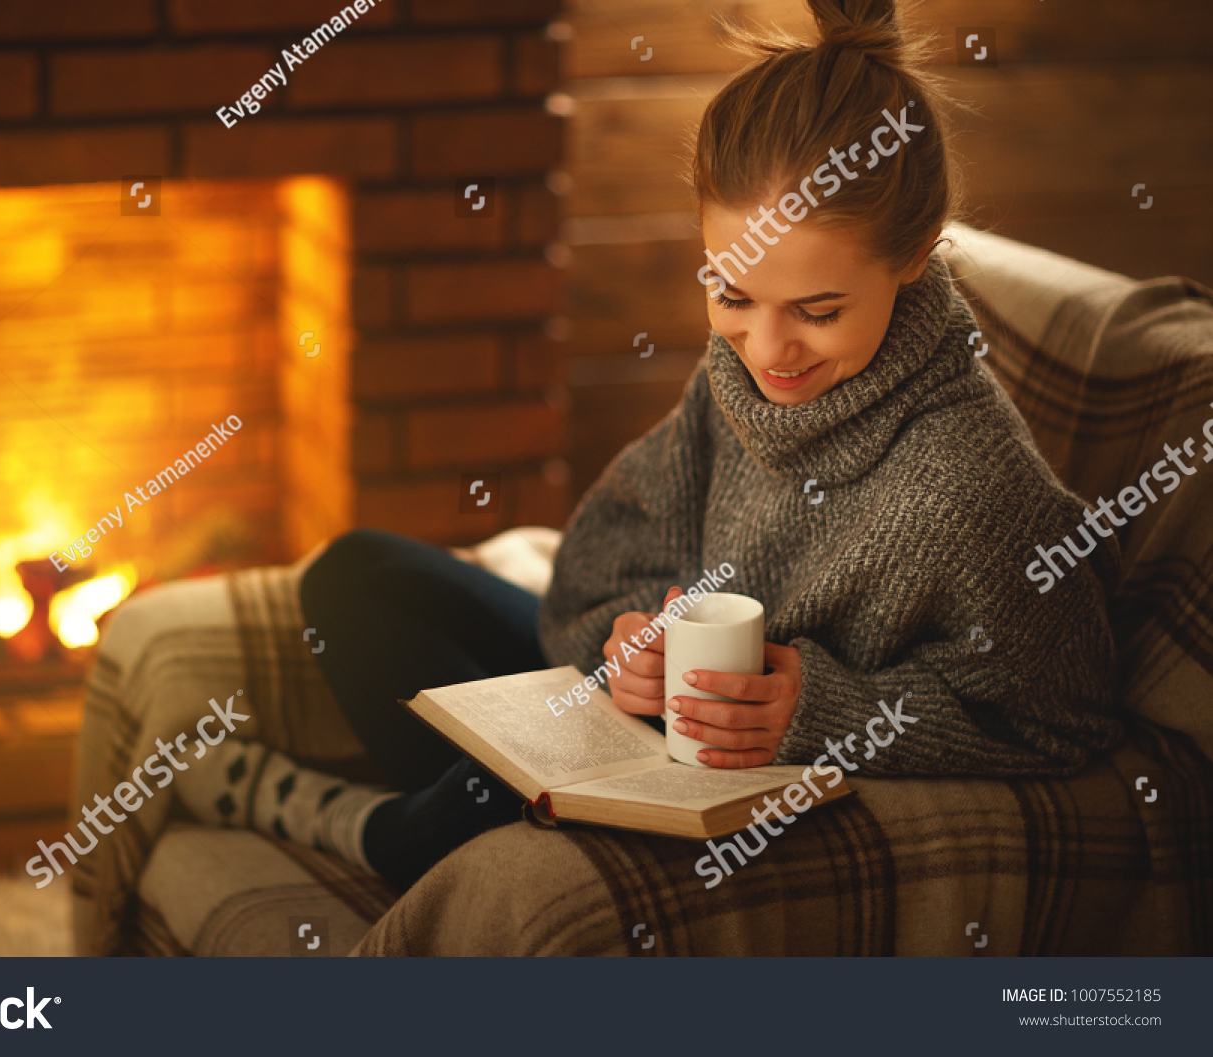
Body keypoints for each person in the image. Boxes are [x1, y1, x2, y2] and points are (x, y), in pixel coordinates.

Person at [174, 0, 1123, 892]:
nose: (768, 351)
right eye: (733, 295)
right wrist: (626, 648)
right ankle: (449, 823)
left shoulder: (968, 481)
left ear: (913, 259)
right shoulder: (736, 381)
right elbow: (595, 574)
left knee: (504, 796)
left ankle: (375, 833)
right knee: (353, 577)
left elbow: (1063, 713)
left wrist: (822, 713)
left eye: (819, 311)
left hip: (741, 796)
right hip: (644, 724)